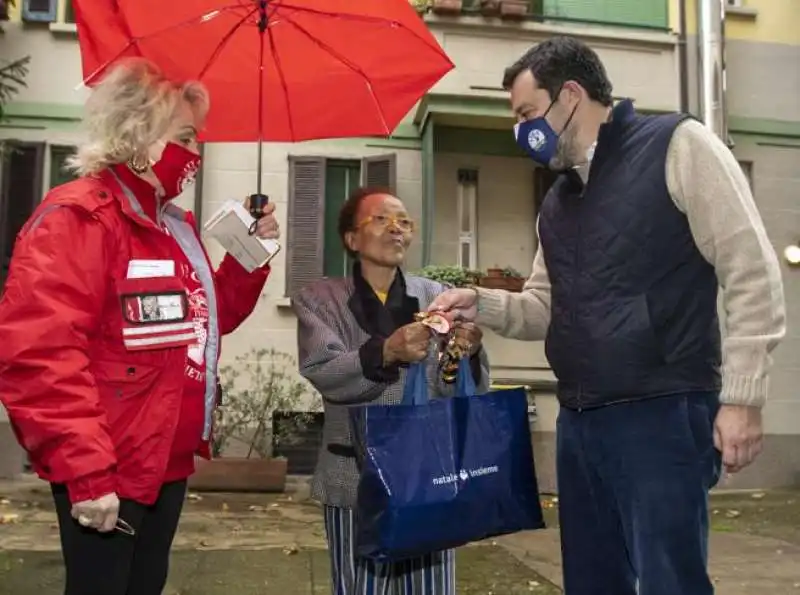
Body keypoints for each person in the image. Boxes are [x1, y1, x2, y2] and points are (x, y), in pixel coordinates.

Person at [429, 36, 786, 595]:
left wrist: (743, 397)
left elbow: (750, 269)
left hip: (662, 411)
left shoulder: (678, 144)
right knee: (593, 582)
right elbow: (545, 308)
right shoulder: (557, 202)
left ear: (569, 95)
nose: (520, 131)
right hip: (580, 420)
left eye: (526, 113)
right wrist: (485, 303)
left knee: (672, 582)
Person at [0, 58, 280, 595]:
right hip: (110, 464)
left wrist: (249, 253)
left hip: (165, 462)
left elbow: (205, 320)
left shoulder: (171, 226)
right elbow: (40, 355)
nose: (194, 154)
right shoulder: (79, 218)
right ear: (139, 134)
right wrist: (86, 471)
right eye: (186, 137)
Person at [293, 187, 491, 595]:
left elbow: (452, 387)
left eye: (404, 221)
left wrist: (466, 354)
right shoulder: (319, 298)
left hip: (430, 473)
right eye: (381, 220)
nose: (396, 229)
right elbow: (324, 369)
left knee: (431, 586)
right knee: (360, 585)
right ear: (352, 239)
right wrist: (386, 351)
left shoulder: (436, 296)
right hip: (355, 474)